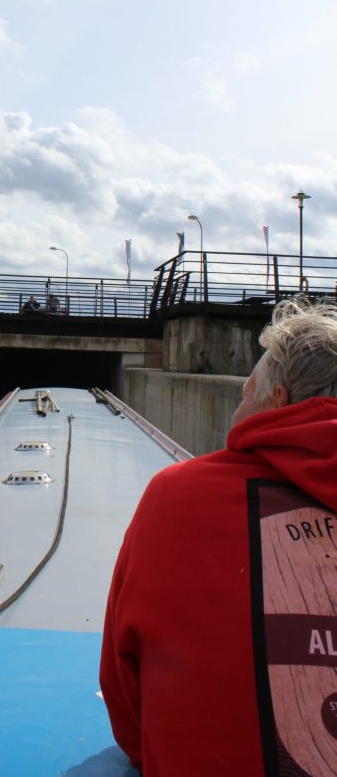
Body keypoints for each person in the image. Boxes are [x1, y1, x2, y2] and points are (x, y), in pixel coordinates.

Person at [100, 299, 337, 777]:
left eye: (244, 394)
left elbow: (125, 695)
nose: (238, 410)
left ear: (276, 400)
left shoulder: (175, 497)